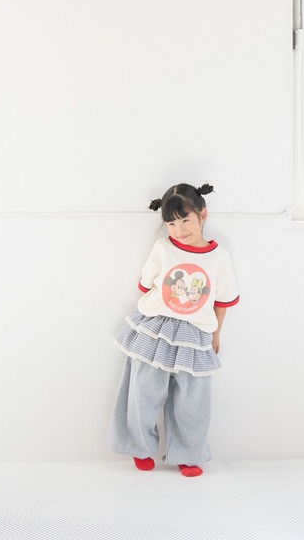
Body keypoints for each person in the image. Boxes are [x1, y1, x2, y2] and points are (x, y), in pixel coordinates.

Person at [107, 183, 239, 477]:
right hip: (157, 327)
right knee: (143, 390)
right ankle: (139, 446)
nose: (179, 230)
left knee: (193, 400)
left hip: (195, 333)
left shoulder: (219, 257)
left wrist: (216, 333)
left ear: (203, 215)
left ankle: (188, 454)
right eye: (171, 223)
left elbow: (222, 300)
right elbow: (146, 285)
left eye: (185, 220)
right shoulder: (163, 248)